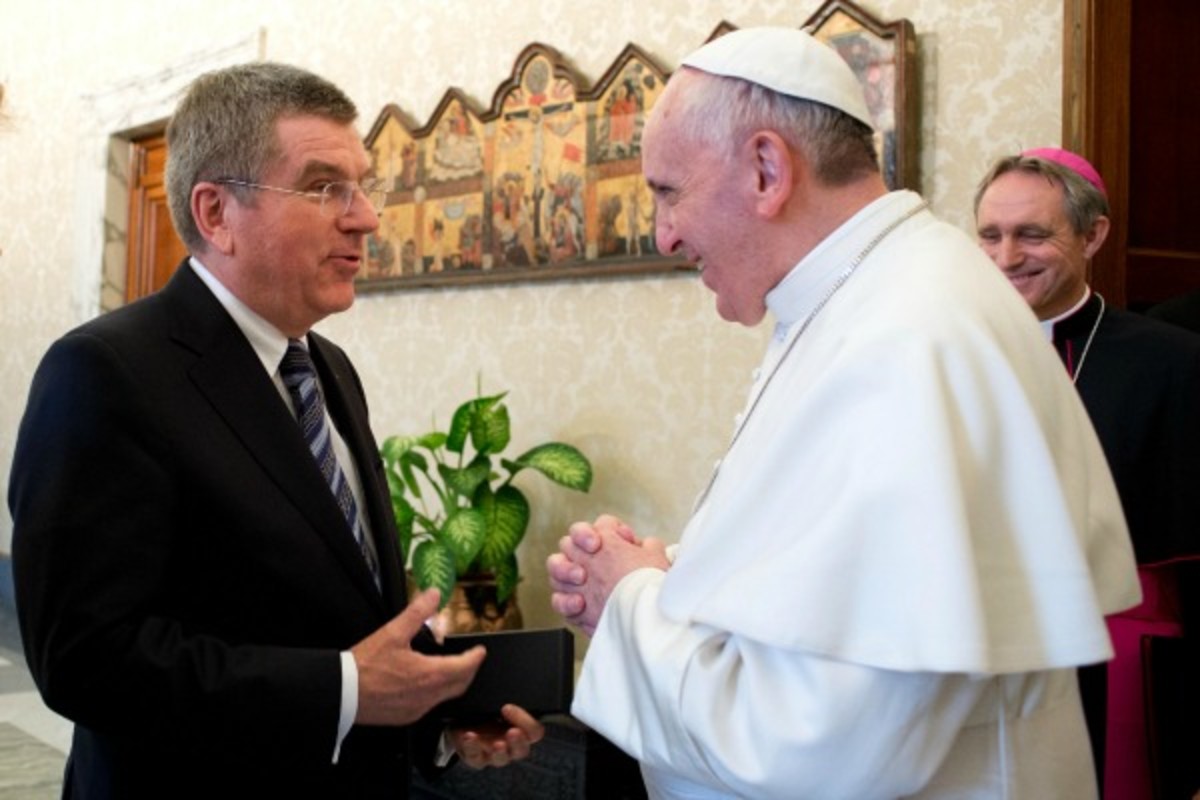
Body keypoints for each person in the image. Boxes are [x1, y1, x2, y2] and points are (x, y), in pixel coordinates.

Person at [546, 27, 1140, 799]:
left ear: (767, 169)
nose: (664, 234)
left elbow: (818, 739)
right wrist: (684, 577)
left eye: (668, 191)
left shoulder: (906, 340)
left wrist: (631, 600)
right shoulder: (877, 295)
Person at [9, 62, 543, 798]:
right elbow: (86, 659)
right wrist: (346, 689)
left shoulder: (328, 367)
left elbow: (336, 611)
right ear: (217, 212)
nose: (365, 217)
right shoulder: (105, 372)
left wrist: (438, 715)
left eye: (363, 186)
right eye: (327, 188)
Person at [975, 148, 1200, 799]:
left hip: (1121, 655)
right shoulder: (952, 354)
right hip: (981, 652)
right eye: (990, 235)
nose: (1006, 257)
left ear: (1092, 234)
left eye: (1032, 235)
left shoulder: (1172, 363)